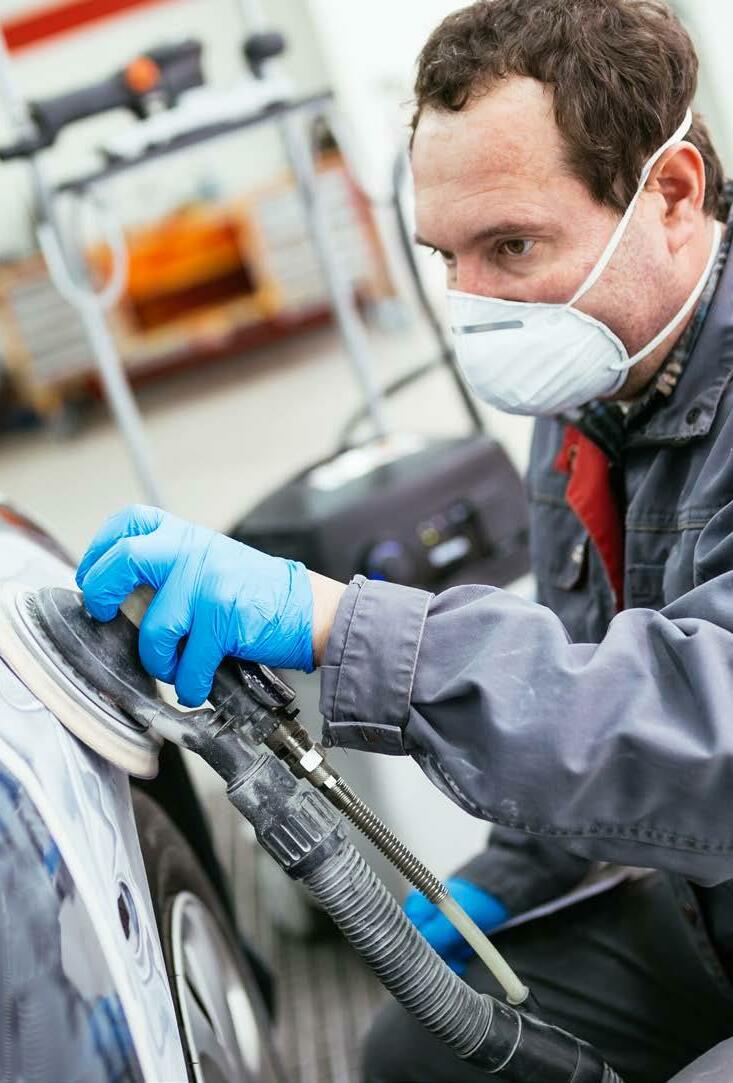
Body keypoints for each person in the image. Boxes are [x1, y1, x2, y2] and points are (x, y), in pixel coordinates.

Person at [75, 1, 733, 1078]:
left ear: (668, 194)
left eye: (510, 246)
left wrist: (339, 624)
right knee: (419, 1053)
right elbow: (587, 682)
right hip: (704, 901)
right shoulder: (589, 397)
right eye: (445, 256)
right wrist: (509, 877)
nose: (470, 306)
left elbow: (707, 721)